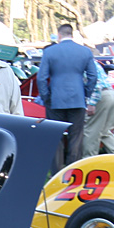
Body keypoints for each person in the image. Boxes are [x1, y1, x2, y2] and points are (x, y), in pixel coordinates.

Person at [37, 23, 96, 168]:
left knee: (55, 138)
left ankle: (57, 173)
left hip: (55, 100)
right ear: (72, 34)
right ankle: (74, 172)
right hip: (77, 99)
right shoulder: (85, 52)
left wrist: (46, 97)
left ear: (59, 35)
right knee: (76, 138)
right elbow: (93, 76)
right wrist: (85, 93)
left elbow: (41, 78)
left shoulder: (50, 52)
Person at [82, 59, 114, 158]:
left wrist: (92, 103)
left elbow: (96, 83)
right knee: (106, 132)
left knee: (91, 131)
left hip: (100, 96)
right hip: (110, 93)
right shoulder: (93, 62)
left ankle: (88, 162)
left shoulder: (82, 62)